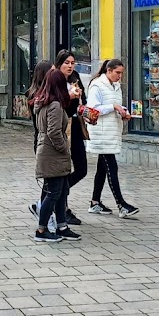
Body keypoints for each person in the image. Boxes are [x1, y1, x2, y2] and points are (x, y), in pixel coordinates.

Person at [31, 68, 80, 243]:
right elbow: (53, 131)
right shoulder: (55, 105)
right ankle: (42, 229)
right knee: (53, 193)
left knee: (61, 191)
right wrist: (64, 148)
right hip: (53, 153)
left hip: (48, 151)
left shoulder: (43, 102)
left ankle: (62, 226)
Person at [86, 58, 139, 218]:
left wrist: (123, 112)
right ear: (108, 70)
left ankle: (95, 202)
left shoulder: (115, 86)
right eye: (117, 73)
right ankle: (121, 204)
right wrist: (113, 107)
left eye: (121, 73)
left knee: (102, 169)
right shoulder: (97, 85)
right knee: (112, 167)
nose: (119, 76)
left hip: (111, 131)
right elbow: (92, 109)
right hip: (101, 133)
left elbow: (114, 105)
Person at [54, 50, 88, 224]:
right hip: (59, 129)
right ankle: (61, 208)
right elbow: (51, 103)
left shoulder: (75, 76)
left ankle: (56, 197)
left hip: (75, 127)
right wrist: (69, 96)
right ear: (59, 63)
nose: (70, 66)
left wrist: (88, 112)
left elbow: (83, 102)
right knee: (61, 170)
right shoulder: (53, 78)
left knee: (82, 169)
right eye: (66, 62)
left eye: (72, 62)